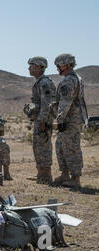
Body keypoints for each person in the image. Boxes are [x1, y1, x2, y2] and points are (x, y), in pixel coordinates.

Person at [53, 54, 88, 188]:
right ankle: (65, 174)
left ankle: (75, 178)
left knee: (71, 148)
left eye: (59, 65)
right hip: (72, 118)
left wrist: (60, 118)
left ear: (67, 65)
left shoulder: (69, 81)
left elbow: (66, 101)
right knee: (61, 145)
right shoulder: (75, 78)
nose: (57, 68)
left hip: (70, 120)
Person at [23, 57, 56, 184]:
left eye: (31, 65)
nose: (29, 68)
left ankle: (46, 175)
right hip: (39, 120)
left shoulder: (45, 83)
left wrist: (42, 120)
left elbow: (47, 104)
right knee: (38, 147)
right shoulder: (39, 82)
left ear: (39, 67)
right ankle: (40, 173)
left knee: (43, 147)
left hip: (44, 121)